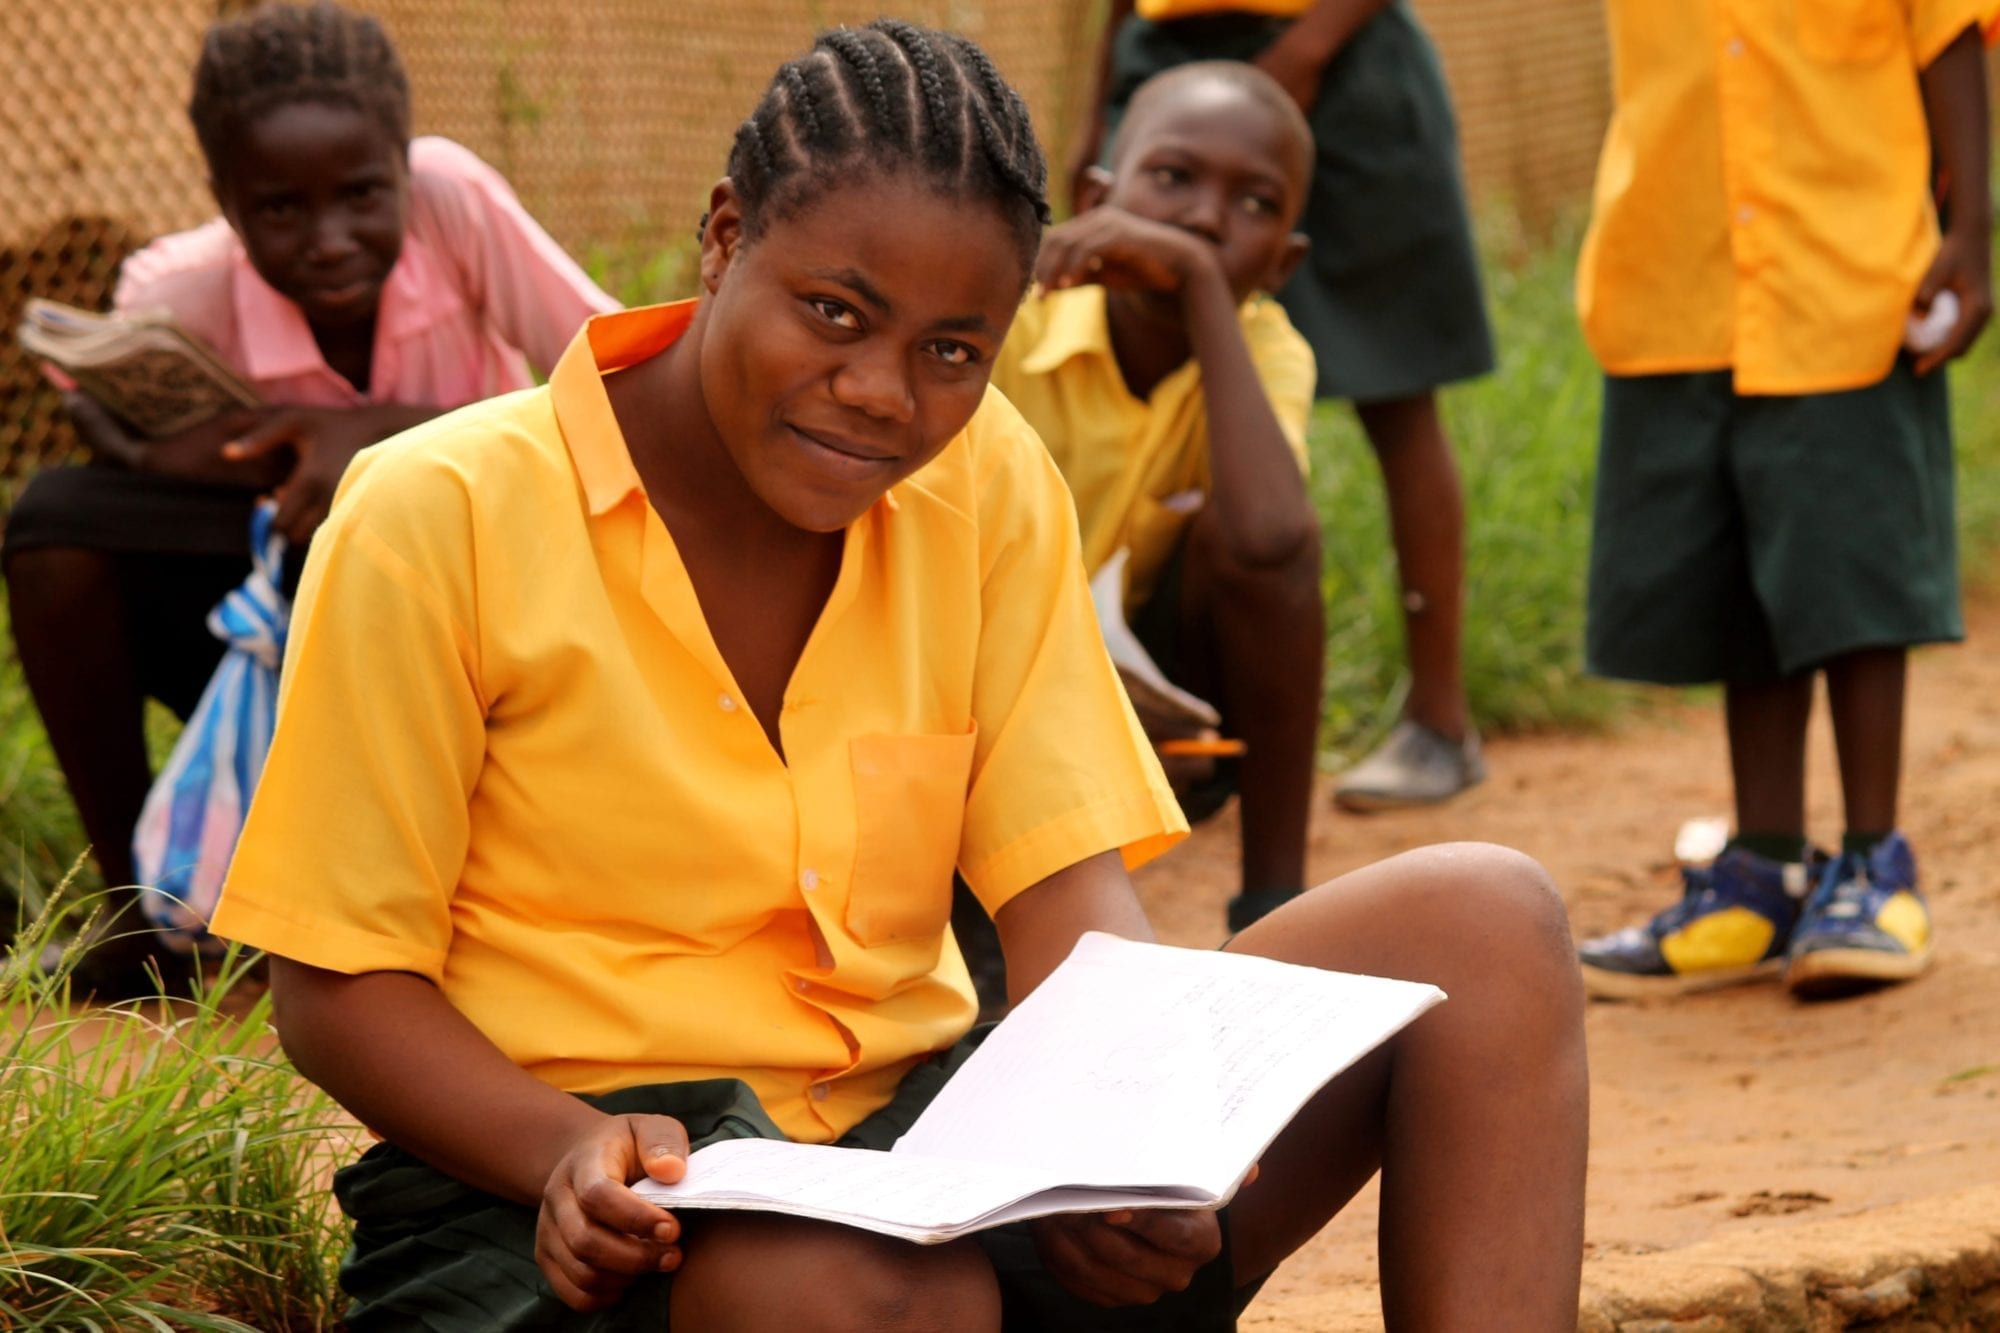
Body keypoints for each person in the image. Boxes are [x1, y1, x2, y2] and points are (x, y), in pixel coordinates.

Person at [210, 20, 1586, 1329]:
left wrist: (1120, 1152)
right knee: (871, 1293)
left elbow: (1067, 906)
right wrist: (566, 1146)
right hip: (566, 1199)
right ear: (726, 230)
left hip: (925, 1163)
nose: (883, 391)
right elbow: (336, 990)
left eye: (951, 352)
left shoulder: (982, 479)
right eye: (833, 311)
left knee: (1486, 923)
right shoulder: (438, 511)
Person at [1, 0, 617, 991]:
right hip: (280, 604)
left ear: (405, 166)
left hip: (472, 597)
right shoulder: (178, 289)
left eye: (363, 195)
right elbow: (103, 420)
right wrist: (213, 458)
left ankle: (436, 895)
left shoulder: (454, 201)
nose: (328, 238)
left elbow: (616, 378)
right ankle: (139, 913)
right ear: (225, 200)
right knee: (51, 523)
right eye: (281, 210)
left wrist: (372, 431)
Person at [1574, 2, 1991, 1000]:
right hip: (1675, 272)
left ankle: (1871, 864)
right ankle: (1761, 875)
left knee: (1846, 570)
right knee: (1734, 583)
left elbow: (1945, 31)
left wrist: (1975, 226)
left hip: (1839, 273)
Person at [1068, 0, 1493, 813]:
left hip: (1339, 63)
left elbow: (1270, 537)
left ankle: (1439, 721)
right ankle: (1125, 706)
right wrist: (1098, 108)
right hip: (1164, 58)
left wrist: (1307, 50)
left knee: (1397, 398)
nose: (1203, 214)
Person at [988, 61, 1319, 935]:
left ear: (1284, 261)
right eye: (1172, 179)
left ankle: (1275, 909)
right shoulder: (1012, 324)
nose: (1206, 217)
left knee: (1273, 557)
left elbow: (1273, 538)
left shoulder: (1265, 351)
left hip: (1161, 709)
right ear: (1098, 197)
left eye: (1254, 204)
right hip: (983, 676)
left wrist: (1205, 288)